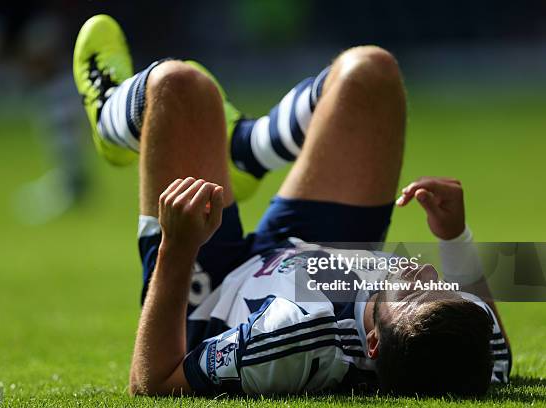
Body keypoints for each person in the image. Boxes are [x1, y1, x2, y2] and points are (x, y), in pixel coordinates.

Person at [73, 15, 511, 397]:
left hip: (213, 287)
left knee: (180, 85)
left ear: (372, 343)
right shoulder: (460, 334)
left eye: (413, 293)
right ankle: (245, 150)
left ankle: (110, 106)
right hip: (310, 252)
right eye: (442, 287)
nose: (427, 273)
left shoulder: (293, 338)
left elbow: (151, 382)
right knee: (371, 71)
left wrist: (177, 247)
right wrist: (455, 236)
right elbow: (496, 358)